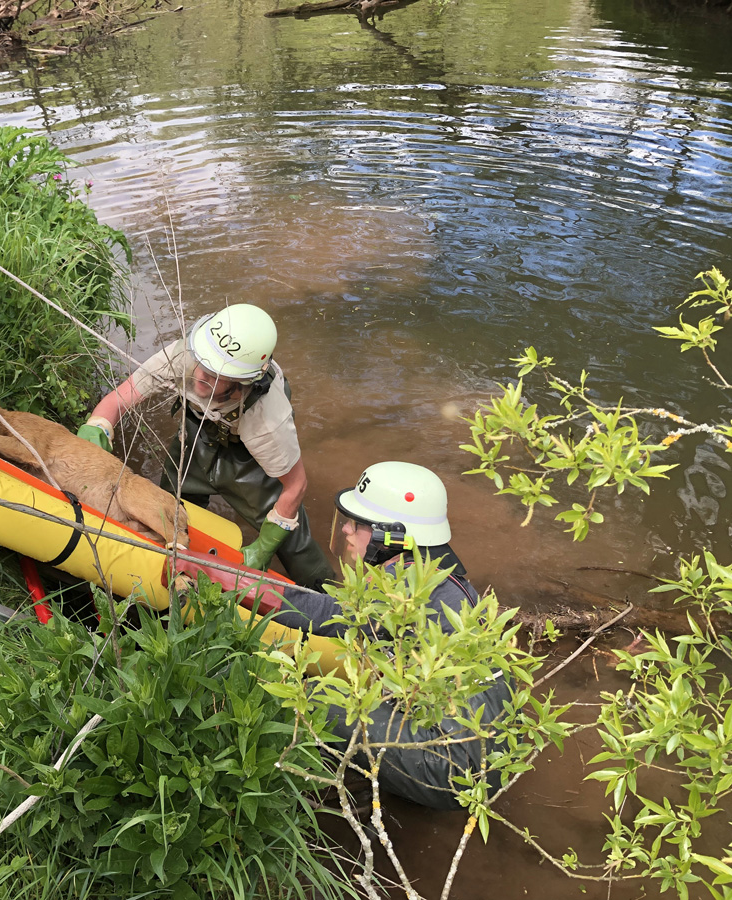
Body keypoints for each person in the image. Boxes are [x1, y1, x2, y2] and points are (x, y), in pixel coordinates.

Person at [176, 461, 512, 810]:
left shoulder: (404, 591)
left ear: (392, 537)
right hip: (489, 762)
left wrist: (205, 570)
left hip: (452, 772)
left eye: (358, 524)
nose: (347, 530)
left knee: (311, 696)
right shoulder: (445, 581)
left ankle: (289, 791)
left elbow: (312, 610)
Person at [78, 303, 335, 589]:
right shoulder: (183, 356)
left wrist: (265, 546)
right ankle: (176, 576)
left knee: (292, 543)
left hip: (248, 455)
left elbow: (296, 485)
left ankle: (329, 597)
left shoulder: (267, 420)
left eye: (216, 374)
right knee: (168, 506)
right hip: (198, 430)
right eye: (203, 363)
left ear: (240, 383)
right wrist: (97, 428)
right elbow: (120, 398)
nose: (201, 376)